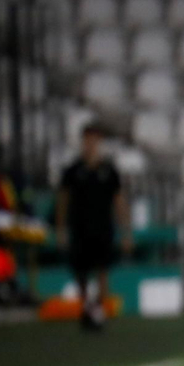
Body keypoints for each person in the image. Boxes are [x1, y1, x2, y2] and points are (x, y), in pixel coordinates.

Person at [56, 124, 132, 330]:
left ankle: (98, 310)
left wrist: (126, 231)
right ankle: (87, 308)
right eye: (87, 139)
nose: (90, 144)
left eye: (94, 140)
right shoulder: (73, 171)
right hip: (79, 228)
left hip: (102, 227)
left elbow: (119, 201)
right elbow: (63, 200)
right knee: (80, 272)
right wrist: (61, 227)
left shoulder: (109, 171)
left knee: (102, 271)